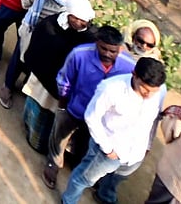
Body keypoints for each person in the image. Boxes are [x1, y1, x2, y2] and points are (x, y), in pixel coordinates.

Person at [60, 58, 168, 204]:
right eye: (145, 88)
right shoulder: (111, 88)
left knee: (119, 177)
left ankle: (103, 194)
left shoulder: (160, 90)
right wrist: (108, 149)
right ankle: (68, 201)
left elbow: (153, 120)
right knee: (84, 178)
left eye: (153, 91)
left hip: (136, 153)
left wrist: (147, 145)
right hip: (109, 152)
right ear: (134, 74)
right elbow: (91, 117)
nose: (149, 95)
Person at [43, 26, 136, 190]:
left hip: (101, 118)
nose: (107, 54)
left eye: (113, 51)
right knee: (59, 137)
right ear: (96, 43)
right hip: (75, 108)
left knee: (86, 143)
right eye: (103, 48)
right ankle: (54, 163)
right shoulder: (79, 54)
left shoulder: (129, 67)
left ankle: (77, 164)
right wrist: (63, 106)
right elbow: (64, 80)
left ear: (120, 49)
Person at [20, 0, 96, 154]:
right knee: (37, 110)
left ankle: (44, 145)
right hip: (42, 82)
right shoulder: (50, 25)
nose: (80, 23)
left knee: (53, 118)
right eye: (76, 18)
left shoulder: (89, 38)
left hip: (62, 89)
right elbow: (39, 50)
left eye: (84, 21)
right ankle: (31, 134)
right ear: (68, 14)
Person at [0, 0, 83, 109]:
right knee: (19, 59)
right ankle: (7, 87)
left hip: (49, 40)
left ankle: (26, 86)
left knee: (36, 64)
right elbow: (25, 1)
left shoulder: (73, 4)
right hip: (30, 31)